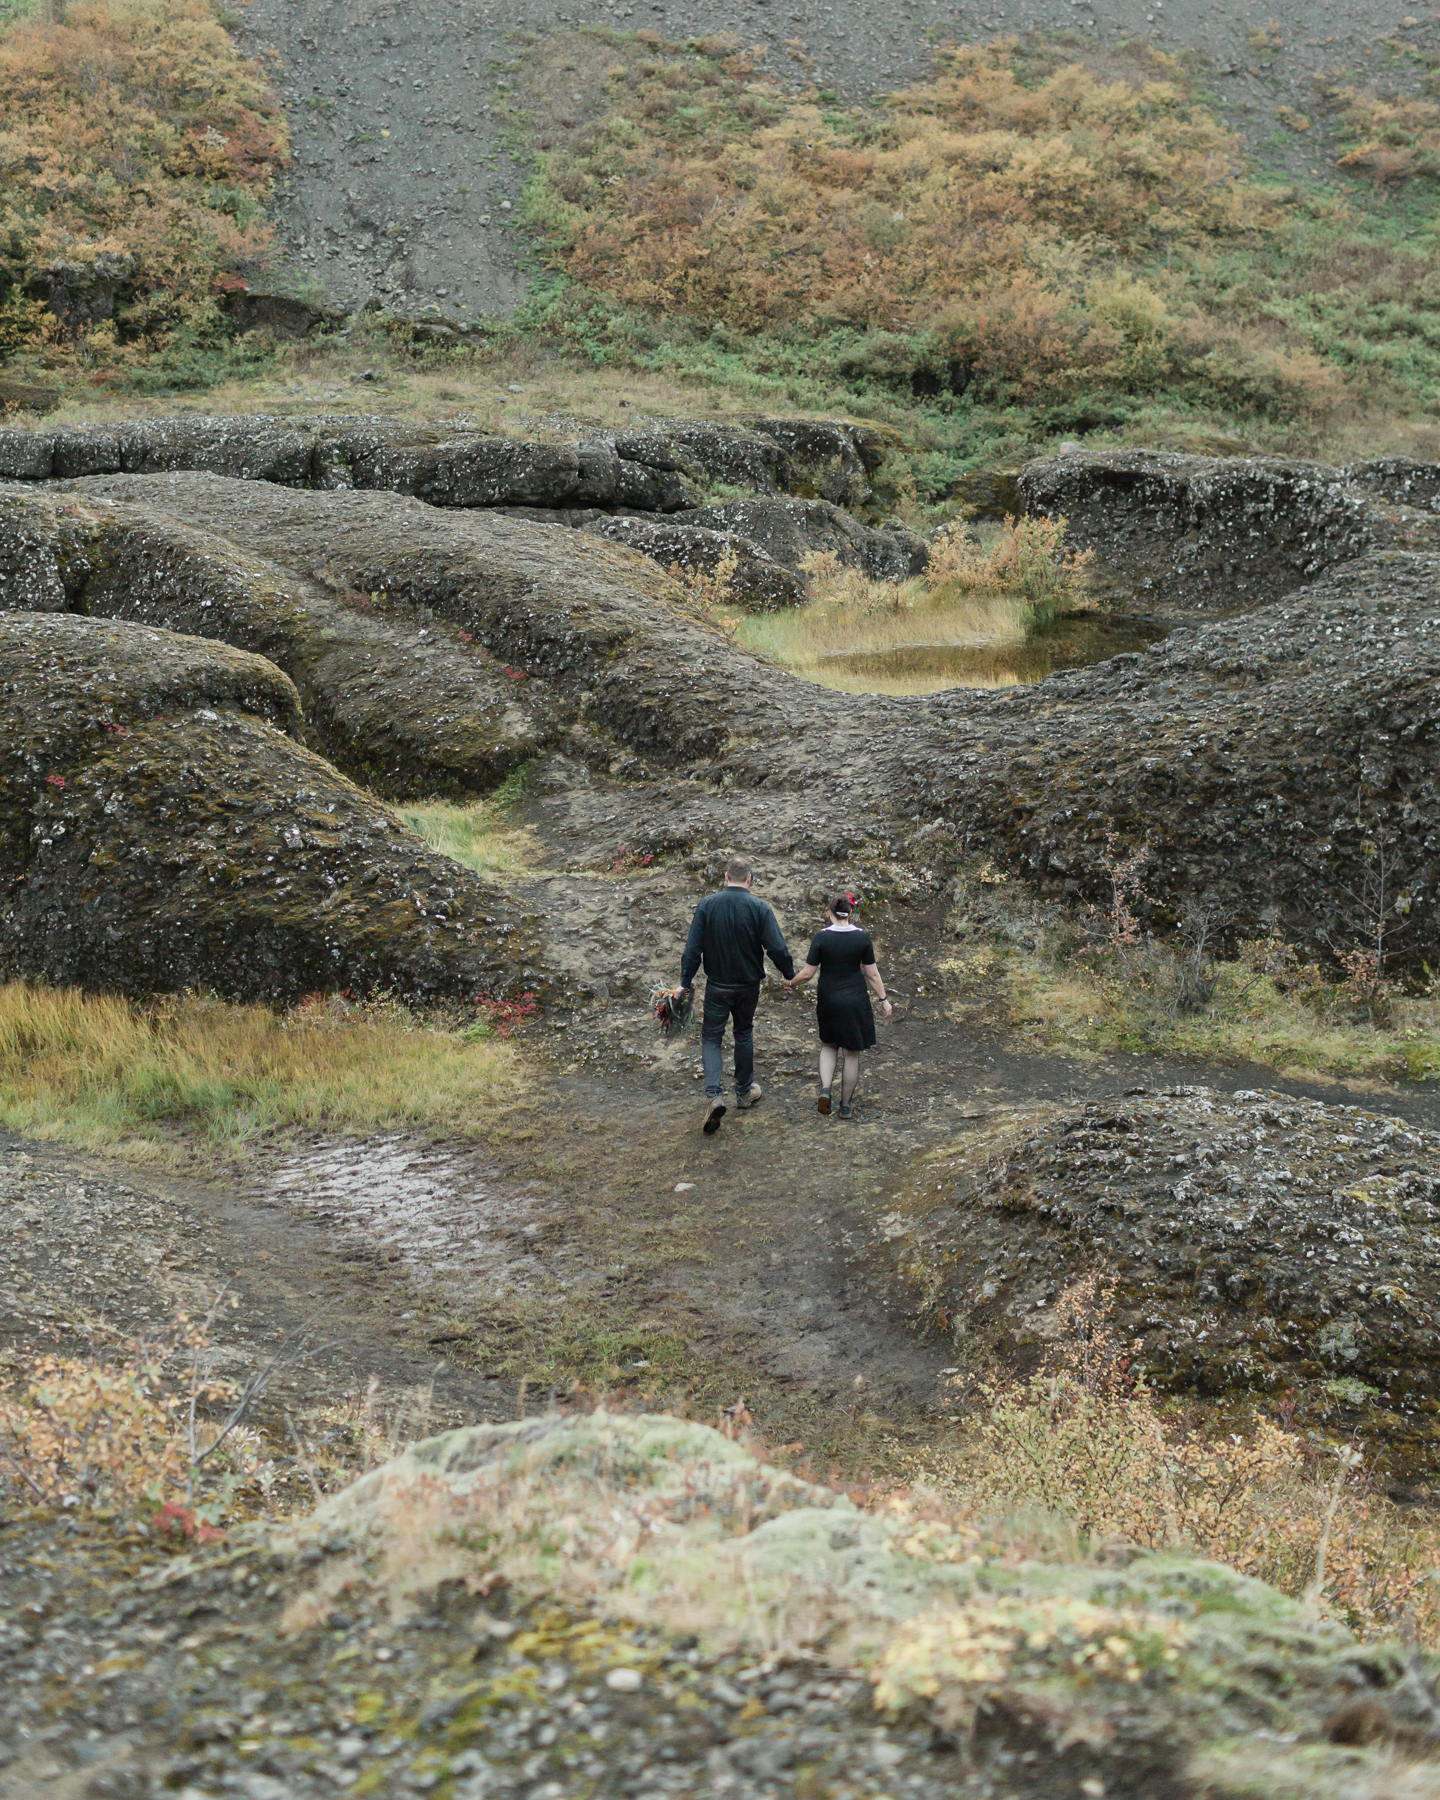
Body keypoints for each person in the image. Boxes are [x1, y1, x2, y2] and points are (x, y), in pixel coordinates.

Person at [675, 854, 795, 1135]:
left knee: (711, 1037)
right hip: (748, 986)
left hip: (717, 985)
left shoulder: (707, 905)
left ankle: (715, 1095)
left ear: (726, 878)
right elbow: (777, 947)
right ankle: (743, 1092)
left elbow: (693, 948)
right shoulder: (759, 907)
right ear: (749, 880)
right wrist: (788, 974)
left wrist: (685, 981)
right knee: (743, 1033)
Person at [788, 892, 891, 1118]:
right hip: (855, 1000)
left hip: (829, 999)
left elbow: (807, 973)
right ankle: (845, 1106)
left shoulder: (821, 938)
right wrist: (884, 1000)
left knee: (828, 1045)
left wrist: (792, 983)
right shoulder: (862, 937)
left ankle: (825, 1089)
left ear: (830, 912)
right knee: (851, 1054)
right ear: (851, 912)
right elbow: (872, 975)